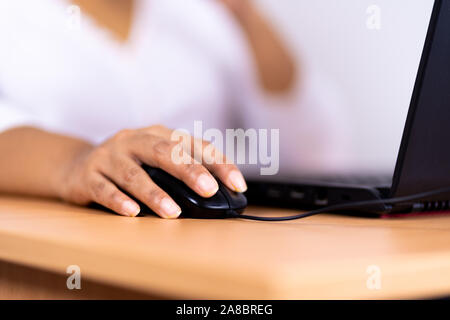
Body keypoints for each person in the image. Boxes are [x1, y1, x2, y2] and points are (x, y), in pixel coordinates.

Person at [0, 0, 348, 218]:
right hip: (80, 240)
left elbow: (317, 156)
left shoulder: (200, 13)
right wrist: (75, 164)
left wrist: (247, 15)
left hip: (228, 243)